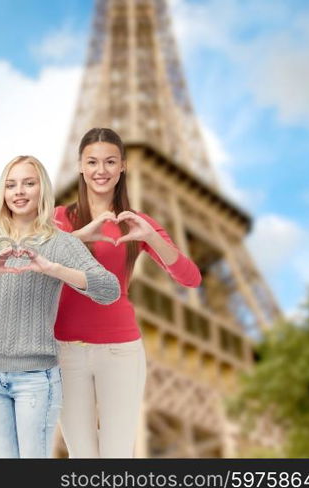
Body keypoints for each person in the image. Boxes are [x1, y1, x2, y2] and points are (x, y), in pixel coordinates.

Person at [0, 155, 119, 458]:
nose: (19, 191)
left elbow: (109, 289)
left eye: (28, 183)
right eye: (11, 185)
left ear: (42, 191)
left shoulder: (61, 244)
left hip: (36, 378)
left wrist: (54, 269)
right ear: (3, 194)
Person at [54, 127, 201, 458]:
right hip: (65, 353)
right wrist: (79, 236)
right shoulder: (60, 219)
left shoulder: (137, 224)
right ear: (80, 165)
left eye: (110, 162)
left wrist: (151, 237)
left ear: (123, 167)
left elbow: (190, 278)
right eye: (92, 162)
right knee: (82, 458)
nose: (101, 170)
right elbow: (32, 258)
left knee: (117, 458)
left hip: (120, 351)